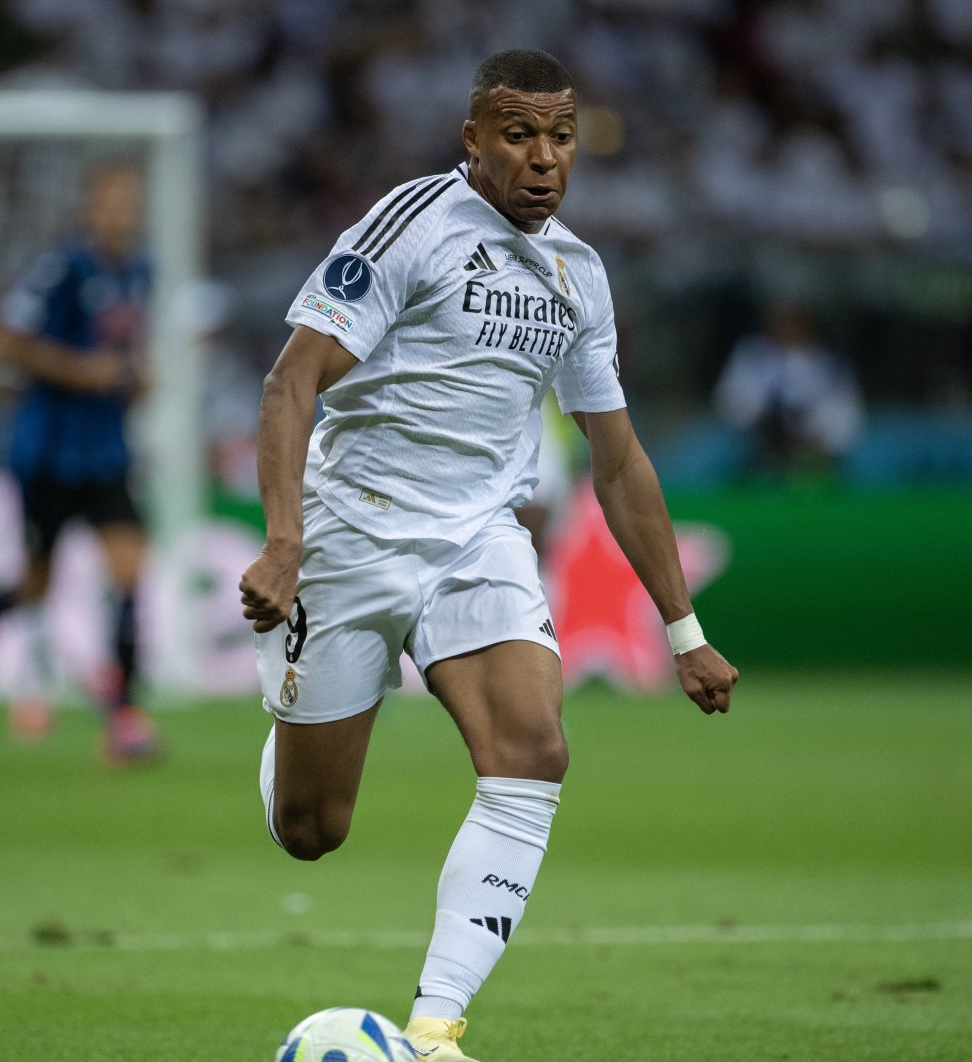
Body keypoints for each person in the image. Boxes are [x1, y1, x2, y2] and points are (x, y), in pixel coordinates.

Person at [238, 50, 738, 1060]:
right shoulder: (409, 226)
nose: (543, 157)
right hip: (353, 531)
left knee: (533, 751)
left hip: (478, 539)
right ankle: (298, 712)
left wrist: (682, 630)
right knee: (310, 829)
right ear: (473, 140)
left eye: (559, 136)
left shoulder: (577, 275)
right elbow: (291, 384)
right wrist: (284, 541)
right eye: (518, 134)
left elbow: (619, 462)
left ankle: (434, 1028)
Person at [0, 161, 160, 766]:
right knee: (39, 580)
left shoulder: (143, 273)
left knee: (130, 573)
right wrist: (83, 371)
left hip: (108, 451)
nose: (123, 211)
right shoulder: (61, 269)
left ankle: (124, 717)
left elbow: (122, 350)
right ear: (91, 209)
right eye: (113, 200)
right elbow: (5, 342)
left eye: (131, 200)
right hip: (47, 452)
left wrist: (135, 378)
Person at [712, 300, 863, 479]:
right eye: (781, 322)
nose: (788, 329)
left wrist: (811, 435)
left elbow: (845, 415)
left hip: (815, 445)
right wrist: (764, 420)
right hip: (758, 443)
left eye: (794, 322)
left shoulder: (832, 365)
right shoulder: (752, 355)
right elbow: (732, 400)